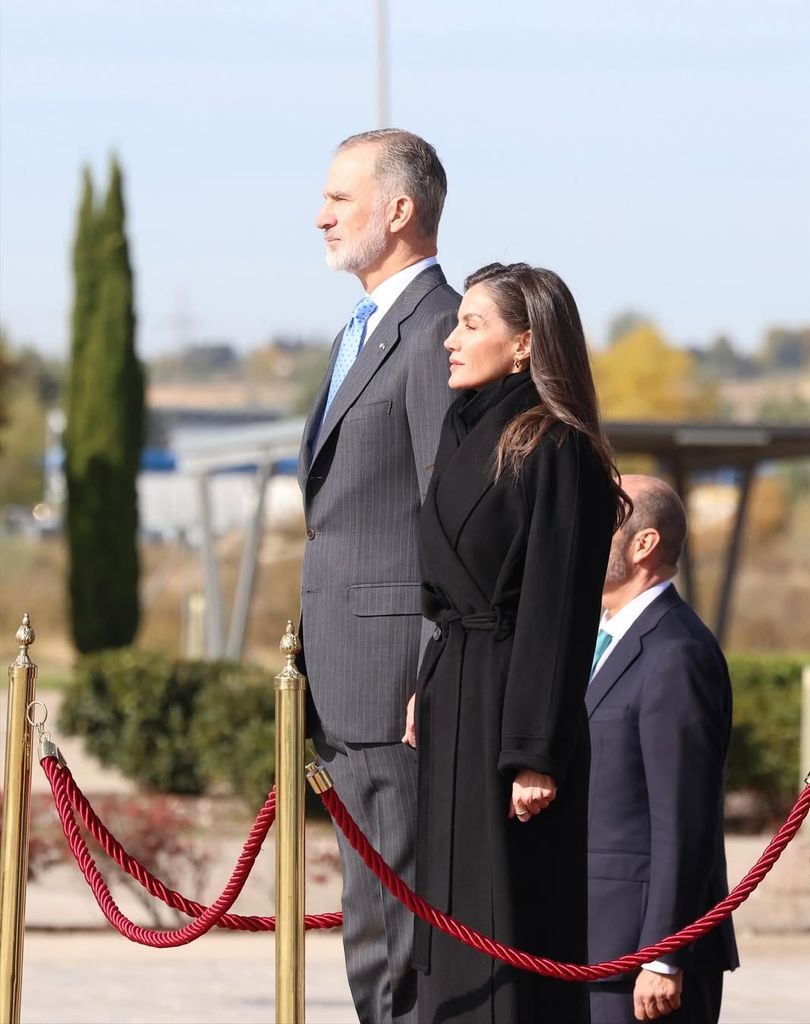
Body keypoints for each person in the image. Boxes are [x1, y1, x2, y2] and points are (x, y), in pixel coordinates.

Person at [403, 262, 629, 1023]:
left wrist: (535, 753)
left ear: (525, 343)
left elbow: (557, 611)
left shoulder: (557, 447)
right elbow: (447, 588)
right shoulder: (461, 428)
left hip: (511, 715)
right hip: (456, 691)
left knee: (510, 923)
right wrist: (428, 684)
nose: (450, 339)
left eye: (471, 325)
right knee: (450, 911)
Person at [298, 128, 460, 1023]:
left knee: (396, 934)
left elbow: (450, 516)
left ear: (398, 210)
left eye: (338, 197)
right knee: (369, 923)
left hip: (396, 683)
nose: (320, 215)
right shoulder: (357, 331)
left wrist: (430, 672)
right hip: (345, 678)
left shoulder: (437, 330)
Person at [586, 475, 739, 1024]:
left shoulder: (676, 651)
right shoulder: (598, 640)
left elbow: (684, 819)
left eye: (600, 519)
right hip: (592, 946)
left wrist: (663, 954)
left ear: (643, 544)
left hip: (641, 960)